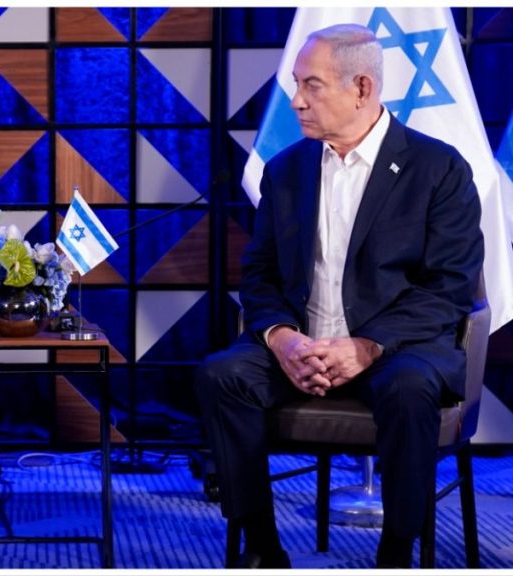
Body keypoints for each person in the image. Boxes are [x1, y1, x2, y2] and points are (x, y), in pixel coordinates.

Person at [194, 23, 483, 569]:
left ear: (362, 89)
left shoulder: (438, 169)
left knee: (409, 389)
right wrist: (282, 340)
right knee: (221, 375)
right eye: (297, 84)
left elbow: (448, 288)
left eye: (312, 85)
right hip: (302, 347)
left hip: (398, 349)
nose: (296, 101)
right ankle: (262, 548)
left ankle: (396, 552)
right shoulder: (286, 171)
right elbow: (259, 276)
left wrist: (366, 346)